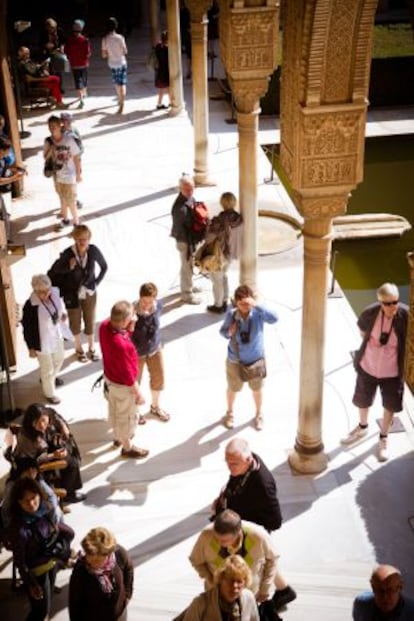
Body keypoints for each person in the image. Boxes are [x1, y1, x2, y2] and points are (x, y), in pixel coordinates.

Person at [211, 438, 296, 612]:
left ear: (248, 460)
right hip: (236, 525)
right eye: (227, 462)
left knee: (245, 569)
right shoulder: (245, 464)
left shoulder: (263, 485)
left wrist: (244, 525)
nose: (230, 467)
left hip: (248, 532)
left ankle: (245, 604)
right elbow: (234, 484)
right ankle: (285, 590)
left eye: (234, 463)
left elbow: (276, 521)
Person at [341, 282, 408, 462]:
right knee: (362, 399)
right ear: (380, 302)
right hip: (368, 366)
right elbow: (363, 331)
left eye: (395, 302)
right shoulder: (370, 313)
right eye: (387, 303)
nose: (392, 306)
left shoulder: (405, 315)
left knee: (390, 404)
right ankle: (362, 427)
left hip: (392, 371)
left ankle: (384, 437)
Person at [190, 509, 280, 619]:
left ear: (238, 533)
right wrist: (210, 578)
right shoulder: (207, 535)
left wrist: (265, 587)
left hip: (250, 598)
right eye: (217, 538)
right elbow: (196, 560)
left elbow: (273, 559)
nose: (219, 543)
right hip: (216, 601)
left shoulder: (258, 536)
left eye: (224, 540)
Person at [7, 477, 75, 621]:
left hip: (52, 563)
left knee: (47, 601)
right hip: (37, 573)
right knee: (40, 611)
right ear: (18, 502)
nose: (32, 504)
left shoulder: (46, 509)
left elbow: (56, 528)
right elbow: (20, 561)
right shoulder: (19, 529)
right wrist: (31, 584)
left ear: (39, 494)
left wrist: (66, 543)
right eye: (26, 501)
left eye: (33, 497)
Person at [219, 285, 278, 430]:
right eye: (241, 304)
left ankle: (258, 414)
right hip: (235, 361)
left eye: (247, 303)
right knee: (233, 388)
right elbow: (222, 332)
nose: (245, 307)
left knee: (257, 390)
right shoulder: (232, 315)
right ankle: (230, 413)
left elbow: (275, 318)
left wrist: (256, 305)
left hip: (255, 361)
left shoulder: (258, 313)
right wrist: (229, 333)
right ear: (236, 302)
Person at [48, 224, 107, 362]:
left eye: (85, 239)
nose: (82, 242)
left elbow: (104, 267)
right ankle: (78, 348)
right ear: (74, 239)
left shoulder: (93, 251)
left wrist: (96, 283)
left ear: (89, 239)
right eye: (79, 239)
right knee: (74, 322)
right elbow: (56, 270)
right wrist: (69, 266)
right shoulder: (68, 253)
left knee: (90, 319)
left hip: (89, 292)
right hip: (71, 293)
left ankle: (91, 348)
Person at [99, 300, 149, 459]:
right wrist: (139, 394)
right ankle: (127, 447)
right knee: (127, 417)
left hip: (110, 380)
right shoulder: (122, 345)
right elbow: (128, 376)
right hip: (123, 387)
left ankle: (117, 437)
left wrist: (129, 328)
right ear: (124, 322)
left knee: (114, 409)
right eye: (132, 316)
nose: (135, 317)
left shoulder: (104, 326)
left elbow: (119, 332)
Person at [12, 403, 86, 504]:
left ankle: (66, 484)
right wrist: (53, 455)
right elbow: (34, 460)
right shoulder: (27, 438)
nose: (42, 425)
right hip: (31, 463)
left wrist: (63, 426)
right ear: (30, 422)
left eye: (43, 420)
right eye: (37, 422)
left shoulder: (47, 413)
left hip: (45, 449)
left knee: (68, 449)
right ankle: (69, 494)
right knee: (71, 463)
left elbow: (54, 414)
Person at [69, 526, 134, 621]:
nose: (92, 563)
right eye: (89, 558)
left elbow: (129, 569)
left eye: (97, 560)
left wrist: (127, 595)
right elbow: (74, 604)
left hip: (120, 615)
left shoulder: (119, 554)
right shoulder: (80, 571)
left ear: (108, 554)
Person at [21, 274, 67, 405]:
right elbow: (27, 329)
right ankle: (50, 393)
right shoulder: (30, 306)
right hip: (41, 342)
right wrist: (30, 347)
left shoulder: (53, 293)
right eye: (43, 292)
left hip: (56, 336)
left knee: (59, 359)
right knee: (47, 369)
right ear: (35, 291)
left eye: (48, 289)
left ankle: (48, 380)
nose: (47, 293)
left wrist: (62, 315)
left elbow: (60, 308)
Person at [131, 282, 170, 424]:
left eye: (150, 301)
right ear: (139, 297)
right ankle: (135, 411)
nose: (147, 304)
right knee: (135, 383)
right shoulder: (132, 311)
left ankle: (155, 407)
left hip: (154, 349)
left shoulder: (158, 306)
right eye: (144, 301)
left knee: (159, 378)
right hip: (137, 353)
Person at [179, 555, 259, 621]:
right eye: (230, 580)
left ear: (245, 582)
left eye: (239, 581)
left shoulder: (249, 598)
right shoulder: (201, 603)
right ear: (221, 579)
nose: (235, 586)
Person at [203, 191, 243, 314]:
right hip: (230, 254)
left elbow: (208, 238)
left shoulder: (219, 221)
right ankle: (225, 300)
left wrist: (208, 226)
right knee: (223, 276)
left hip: (219, 254)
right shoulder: (239, 218)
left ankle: (218, 305)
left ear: (222, 203)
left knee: (217, 280)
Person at [1, 455, 63, 529]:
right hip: (22, 515)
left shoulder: (37, 479)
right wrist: (8, 527)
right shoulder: (12, 485)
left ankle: (55, 529)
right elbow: (6, 507)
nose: (31, 473)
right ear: (20, 472)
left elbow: (51, 495)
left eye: (33, 469)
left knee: (57, 511)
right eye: (27, 470)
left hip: (40, 510)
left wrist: (52, 508)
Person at [44, 114, 81, 230]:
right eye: (50, 126)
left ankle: (76, 224)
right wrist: (51, 149)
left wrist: (79, 174)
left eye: (54, 126)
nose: (52, 128)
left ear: (60, 126)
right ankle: (65, 220)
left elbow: (76, 157)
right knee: (63, 199)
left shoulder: (69, 139)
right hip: (57, 175)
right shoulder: (48, 141)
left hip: (70, 176)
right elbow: (45, 157)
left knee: (71, 201)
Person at [170, 173, 203, 304]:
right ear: (180, 188)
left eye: (192, 189)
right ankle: (186, 294)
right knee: (186, 266)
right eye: (187, 189)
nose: (190, 192)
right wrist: (190, 244)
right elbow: (180, 230)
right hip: (184, 241)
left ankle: (189, 285)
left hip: (190, 240)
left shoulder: (189, 198)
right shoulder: (179, 208)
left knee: (188, 266)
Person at [0, 135, 25, 241]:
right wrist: (14, 178)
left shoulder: (2, 158)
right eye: (7, 151)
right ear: (1, 150)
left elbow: (7, 166)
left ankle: (4, 240)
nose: (8, 153)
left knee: (4, 217)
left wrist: (18, 169)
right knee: (2, 218)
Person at [101, 17, 128, 114]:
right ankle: (122, 102)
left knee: (117, 84)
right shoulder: (120, 38)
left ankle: (119, 99)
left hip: (112, 64)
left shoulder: (105, 39)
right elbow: (125, 51)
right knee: (123, 83)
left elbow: (103, 55)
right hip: (122, 62)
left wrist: (110, 53)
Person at [64, 19, 91, 109]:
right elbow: (88, 53)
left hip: (74, 64)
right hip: (84, 63)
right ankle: (84, 94)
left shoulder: (69, 40)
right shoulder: (84, 40)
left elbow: (66, 51)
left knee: (78, 81)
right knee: (84, 79)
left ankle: (81, 99)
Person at [61, 111, 84, 209]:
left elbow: (80, 145)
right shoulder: (60, 132)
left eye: (70, 121)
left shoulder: (75, 130)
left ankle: (74, 199)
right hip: (64, 162)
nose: (69, 123)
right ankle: (69, 200)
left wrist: (78, 156)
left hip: (75, 160)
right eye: (66, 121)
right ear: (62, 121)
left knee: (73, 181)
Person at [38, 17, 67, 91]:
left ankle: (60, 87)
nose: (53, 29)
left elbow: (64, 41)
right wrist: (45, 46)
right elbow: (40, 44)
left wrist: (62, 46)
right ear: (47, 28)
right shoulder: (43, 33)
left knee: (58, 71)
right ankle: (53, 88)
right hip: (48, 54)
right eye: (51, 28)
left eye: (54, 27)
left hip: (57, 52)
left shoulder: (59, 31)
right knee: (50, 72)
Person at [154, 31, 170, 110]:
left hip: (160, 70)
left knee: (162, 89)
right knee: (168, 88)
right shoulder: (168, 49)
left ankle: (160, 103)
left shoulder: (158, 46)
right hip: (166, 71)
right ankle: (170, 103)